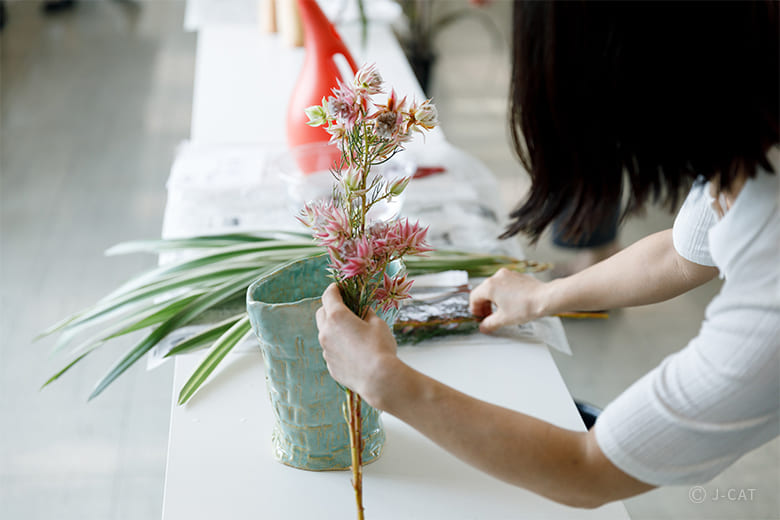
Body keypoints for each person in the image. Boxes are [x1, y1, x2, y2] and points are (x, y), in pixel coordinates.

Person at [315, 0, 779, 508]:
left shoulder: (770, 283)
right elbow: (683, 253)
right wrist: (544, 297)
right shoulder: (747, 133)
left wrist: (383, 380)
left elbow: (589, 469)